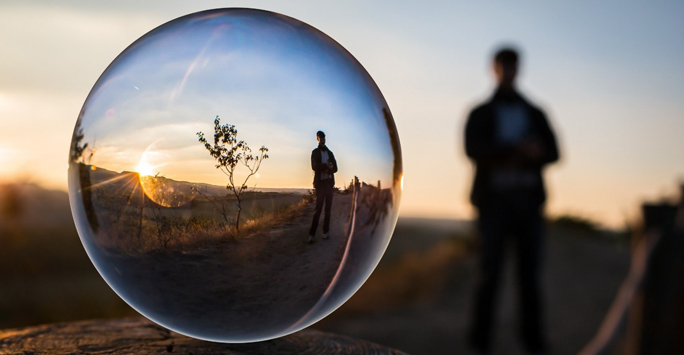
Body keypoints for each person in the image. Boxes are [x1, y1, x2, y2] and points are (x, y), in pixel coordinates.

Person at [464, 47, 559, 355]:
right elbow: (472, 149)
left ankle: (533, 343)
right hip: (493, 205)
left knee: (529, 277)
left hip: (528, 205)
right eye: (503, 66)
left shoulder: (535, 112)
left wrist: (533, 153)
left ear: (518, 69)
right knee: (489, 274)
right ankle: (480, 343)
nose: (508, 71)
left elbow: (555, 153)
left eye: (512, 66)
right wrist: (516, 150)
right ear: (494, 69)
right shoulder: (480, 112)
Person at [307, 131, 338, 243]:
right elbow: (314, 166)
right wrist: (326, 166)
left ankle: (326, 232)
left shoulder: (330, 153)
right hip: (320, 185)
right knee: (318, 210)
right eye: (320, 137)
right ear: (317, 139)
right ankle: (312, 234)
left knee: (328, 210)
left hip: (329, 184)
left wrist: (329, 168)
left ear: (325, 138)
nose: (322, 139)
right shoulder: (315, 152)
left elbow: (335, 168)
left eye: (324, 137)